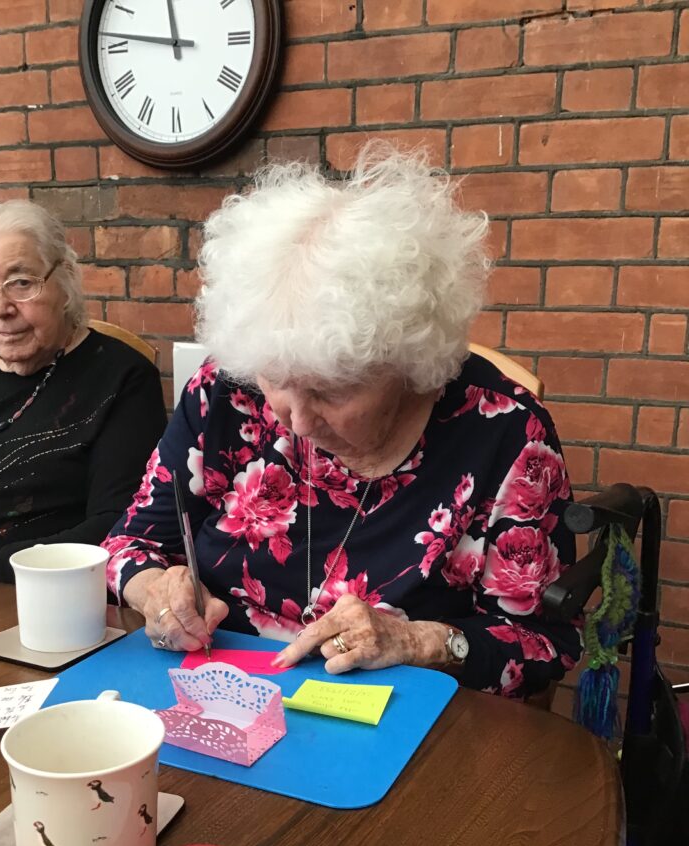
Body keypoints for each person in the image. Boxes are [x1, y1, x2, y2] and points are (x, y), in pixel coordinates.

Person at [105, 147, 581, 698]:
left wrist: (419, 642)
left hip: (400, 724)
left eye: (333, 390)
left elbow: (543, 644)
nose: (299, 421)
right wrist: (156, 590)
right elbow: (129, 543)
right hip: (216, 693)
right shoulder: (223, 392)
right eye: (278, 379)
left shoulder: (506, 433)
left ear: (409, 364)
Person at [0, 200, 167, 581]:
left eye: (21, 282)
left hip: (2, 600)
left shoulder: (120, 378)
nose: (0, 307)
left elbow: (117, 522)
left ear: (65, 279)